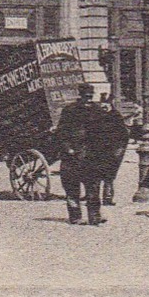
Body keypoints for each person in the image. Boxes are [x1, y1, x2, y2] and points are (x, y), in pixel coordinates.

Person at [54, 83, 108, 225]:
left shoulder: (98, 110)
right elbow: (61, 132)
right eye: (86, 97)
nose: (89, 100)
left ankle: (95, 216)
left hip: (92, 155)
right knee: (72, 189)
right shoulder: (70, 110)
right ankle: (75, 217)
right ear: (81, 95)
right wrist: (68, 149)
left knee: (94, 188)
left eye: (91, 97)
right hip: (72, 156)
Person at [91, 93, 130, 207]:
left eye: (106, 105)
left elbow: (124, 135)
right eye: (102, 105)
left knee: (109, 175)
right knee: (96, 174)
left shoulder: (116, 116)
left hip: (112, 150)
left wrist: (119, 150)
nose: (104, 107)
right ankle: (94, 197)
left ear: (110, 105)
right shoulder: (96, 116)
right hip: (98, 150)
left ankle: (107, 198)